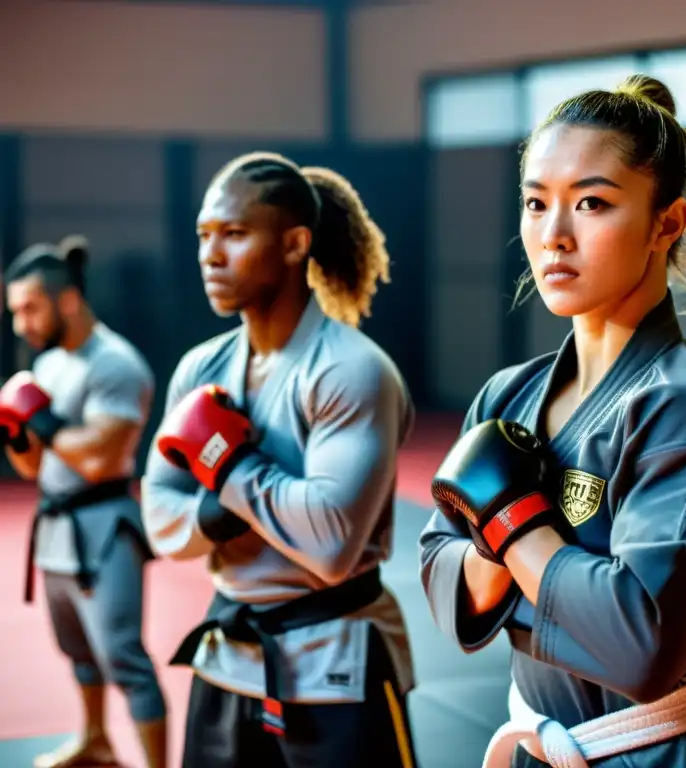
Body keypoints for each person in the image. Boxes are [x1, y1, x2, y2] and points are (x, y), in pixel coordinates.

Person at [419, 74, 686, 767]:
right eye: (536, 203)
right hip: (541, 743)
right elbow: (445, 590)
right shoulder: (507, 395)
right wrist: (513, 555)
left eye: (591, 203)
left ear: (666, 223)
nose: (554, 236)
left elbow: (641, 644)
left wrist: (512, 528)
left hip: (663, 751)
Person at [140, 151, 416, 768]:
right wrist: (225, 512)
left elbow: (330, 545)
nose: (211, 255)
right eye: (204, 237)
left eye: (234, 235)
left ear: (294, 244)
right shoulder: (201, 367)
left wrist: (229, 466)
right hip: (229, 655)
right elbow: (160, 518)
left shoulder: (353, 370)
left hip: (335, 659)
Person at [0, 236, 168, 768]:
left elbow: (100, 457)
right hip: (55, 526)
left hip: (105, 528)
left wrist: (41, 423)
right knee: (78, 651)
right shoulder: (48, 366)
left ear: (67, 299)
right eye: (14, 312)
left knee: (125, 657)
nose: (20, 324)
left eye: (30, 308)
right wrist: (16, 432)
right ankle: (96, 740)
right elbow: (32, 468)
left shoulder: (115, 364)